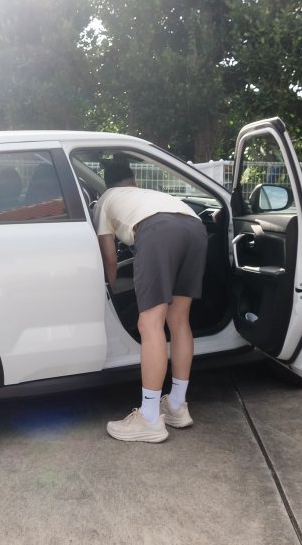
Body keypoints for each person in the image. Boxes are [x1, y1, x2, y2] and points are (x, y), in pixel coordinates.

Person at [94, 160, 207, 443]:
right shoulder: (146, 194)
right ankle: (177, 406)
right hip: (194, 226)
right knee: (179, 319)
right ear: (132, 182)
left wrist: (108, 287)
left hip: (157, 231)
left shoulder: (105, 201)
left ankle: (149, 417)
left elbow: (110, 258)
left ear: (108, 184)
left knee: (150, 323)